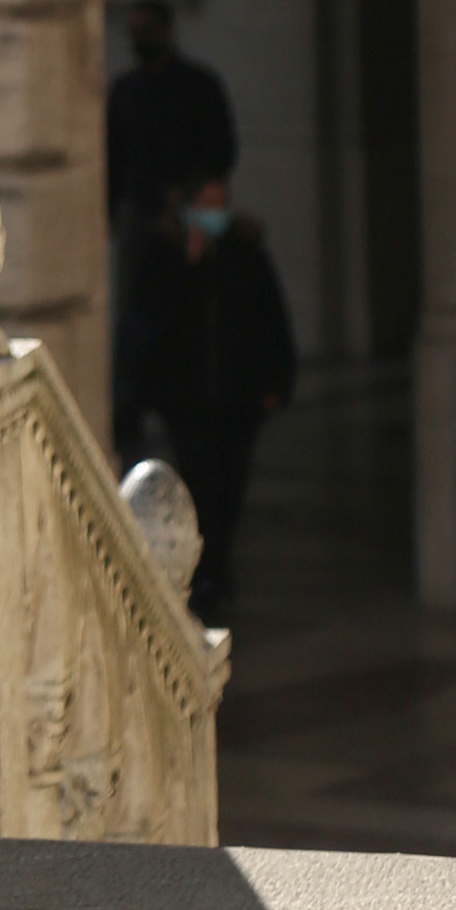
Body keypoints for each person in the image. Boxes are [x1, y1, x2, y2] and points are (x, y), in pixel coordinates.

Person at [121, 174, 296, 626]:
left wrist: (276, 380)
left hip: (238, 398)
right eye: (207, 202)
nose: (215, 211)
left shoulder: (246, 254)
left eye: (222, 202)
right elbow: (149, 327)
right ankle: (207, 573)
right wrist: (189, 268)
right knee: (201, 486)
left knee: (231, 485)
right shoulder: (166, 258)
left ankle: (216, 567)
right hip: (190, 400)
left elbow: (269, 320)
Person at [107, 0, 239, 457]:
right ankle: (137, 399)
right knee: (138, 310)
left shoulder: (197, 87)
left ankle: (193, 395)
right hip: (142, 215)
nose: (138, 39)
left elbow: (220, 146)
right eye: (134, 30)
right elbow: (114, 157)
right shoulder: (126, 91)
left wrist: (191, 196)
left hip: (188, 212)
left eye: (146, 29)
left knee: (195, 302)